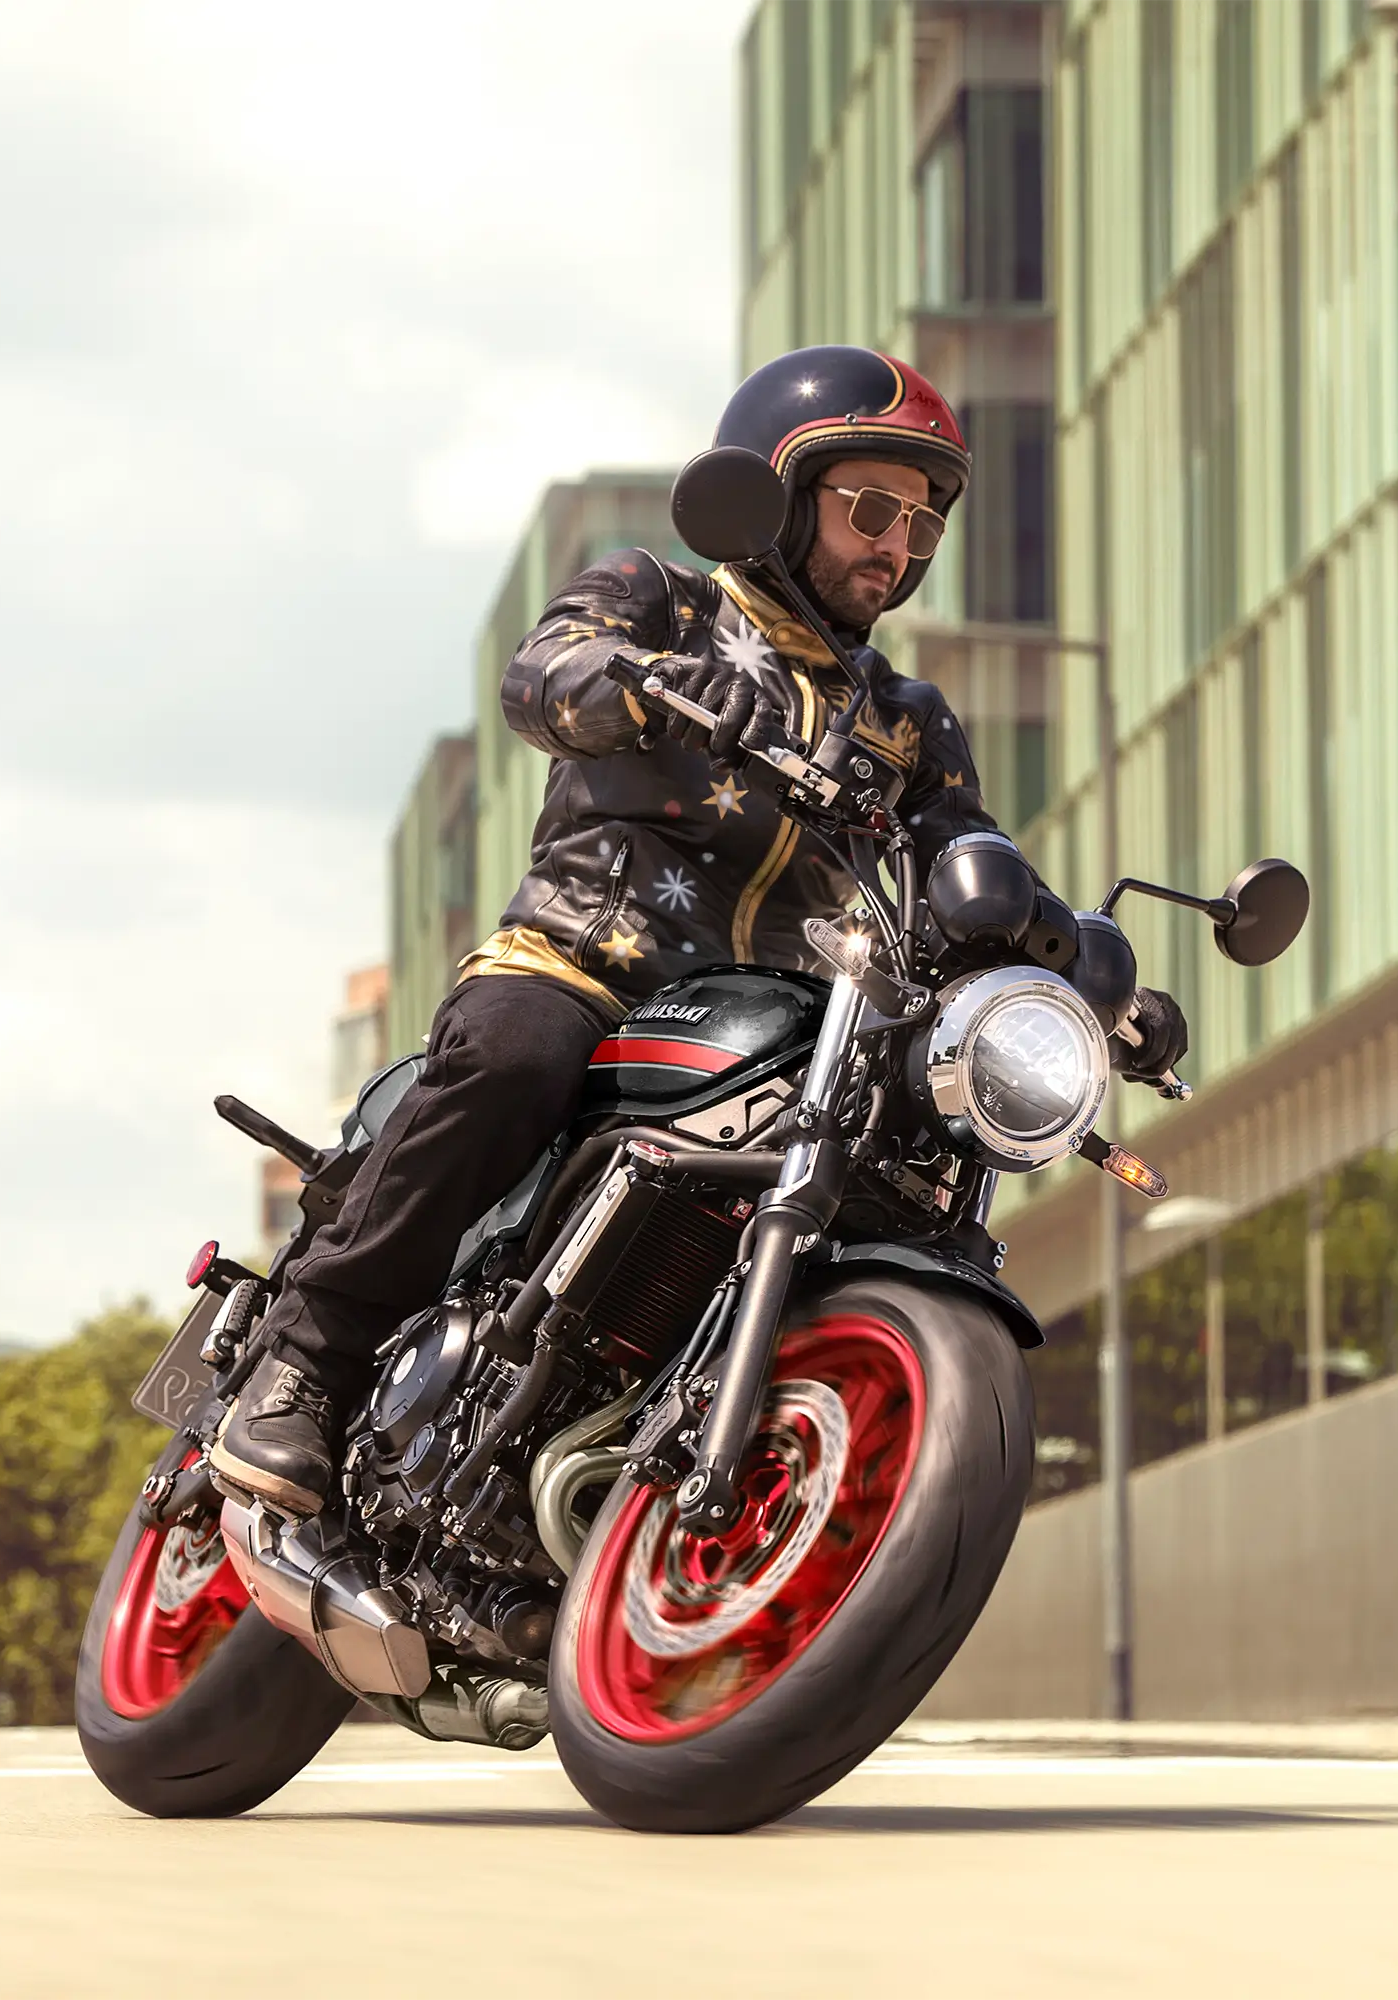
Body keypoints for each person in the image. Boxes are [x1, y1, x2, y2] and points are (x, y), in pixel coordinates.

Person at [211, 345, 1170, 1515]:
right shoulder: (667, 601)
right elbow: (544, 667)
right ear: (773, 493)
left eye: (921, 524)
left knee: (914, 1161)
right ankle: (305, 1359)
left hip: (779, 1026)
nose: (897, 545)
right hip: (587, 964)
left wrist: (1085, 982)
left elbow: (969, 864)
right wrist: (625, 681)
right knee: (516, 1057)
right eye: (871, 507)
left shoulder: (909, 722)